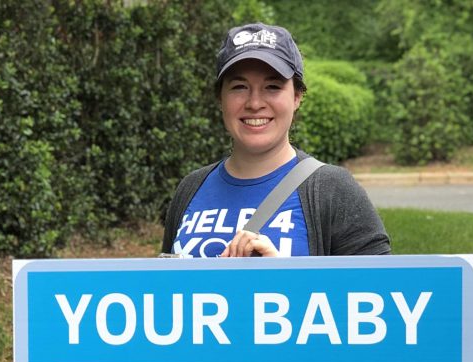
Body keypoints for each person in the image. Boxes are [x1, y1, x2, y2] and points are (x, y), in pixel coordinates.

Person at [161, 22, 390, 258]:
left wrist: (281, 278)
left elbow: (380, 291)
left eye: (272, 86)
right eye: (239, 87)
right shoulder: (191, 188)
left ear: (297, 97)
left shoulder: (334, 190)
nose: (254, 103)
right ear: (220, 98)